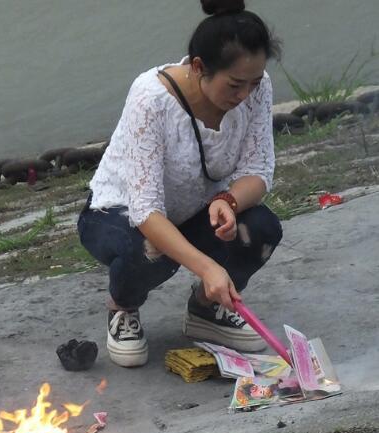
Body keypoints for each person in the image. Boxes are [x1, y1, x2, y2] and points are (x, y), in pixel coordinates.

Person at [78, 0, 283, 367]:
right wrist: (207, 267)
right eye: (235, 85)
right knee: (152, 251)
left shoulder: (256, 87)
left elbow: (259, 170)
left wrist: (229, 201)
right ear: (199, 67)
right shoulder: (152, 97)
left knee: (261, 229)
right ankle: (122, 306)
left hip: (196, 209)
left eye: (253, 84)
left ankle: (205, 310)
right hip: (119, 214)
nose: (245, 96)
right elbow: (145, 210)